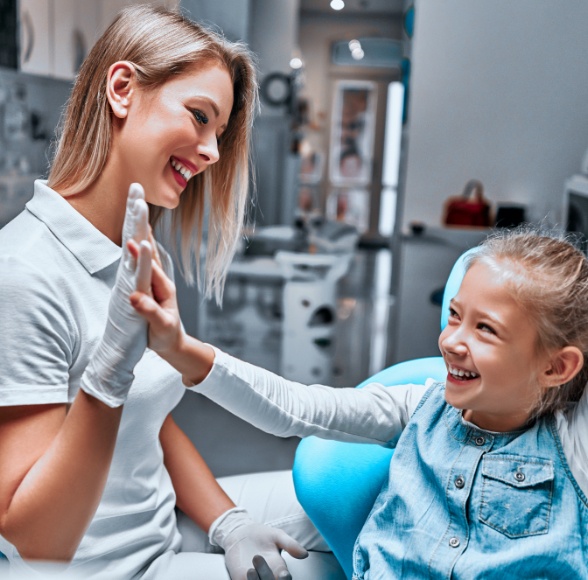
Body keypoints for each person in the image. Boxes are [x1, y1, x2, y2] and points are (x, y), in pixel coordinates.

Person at [0, 5, 323, 579]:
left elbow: (150, 419)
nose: (212, 153)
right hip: (104, 570)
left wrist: (229, 523)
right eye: (200, 116)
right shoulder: (23, 273)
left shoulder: (139, 247)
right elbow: (38, 542)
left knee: (363, 503)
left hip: (166, 532)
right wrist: (106, 378)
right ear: (122, 88)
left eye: (219, 133)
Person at [130, 227, 588, 578]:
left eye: (485, 329)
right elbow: (298, 407)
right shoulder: (420, 409)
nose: (451, 341)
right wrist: (182, 350)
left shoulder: (573, 446)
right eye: (454, 316)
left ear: (557, 367)